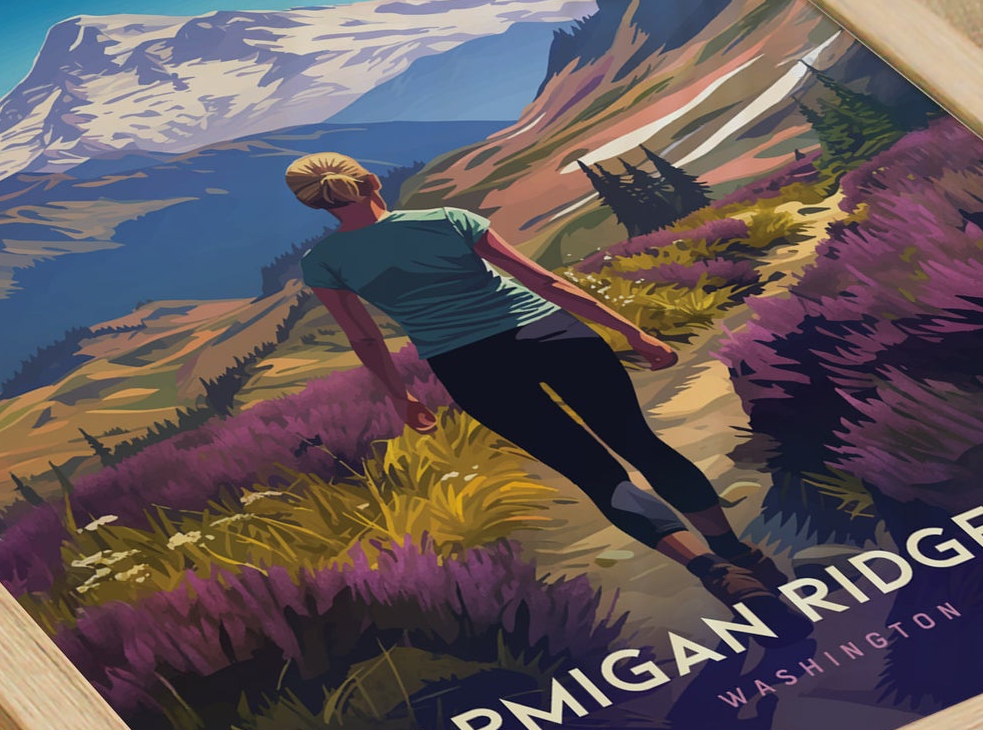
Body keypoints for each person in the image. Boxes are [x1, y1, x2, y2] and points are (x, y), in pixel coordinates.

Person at [286, 151, 787, 611]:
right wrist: (631, 332)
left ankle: (710, 570)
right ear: (371, 181)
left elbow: (366, 339)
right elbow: (543, 282)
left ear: (313, 205)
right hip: (551, 334)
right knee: (640, 442)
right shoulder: (447, 220)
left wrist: (402, 397)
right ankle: (732, 547)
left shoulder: (323, 262)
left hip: (469, 365)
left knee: (591, 471)